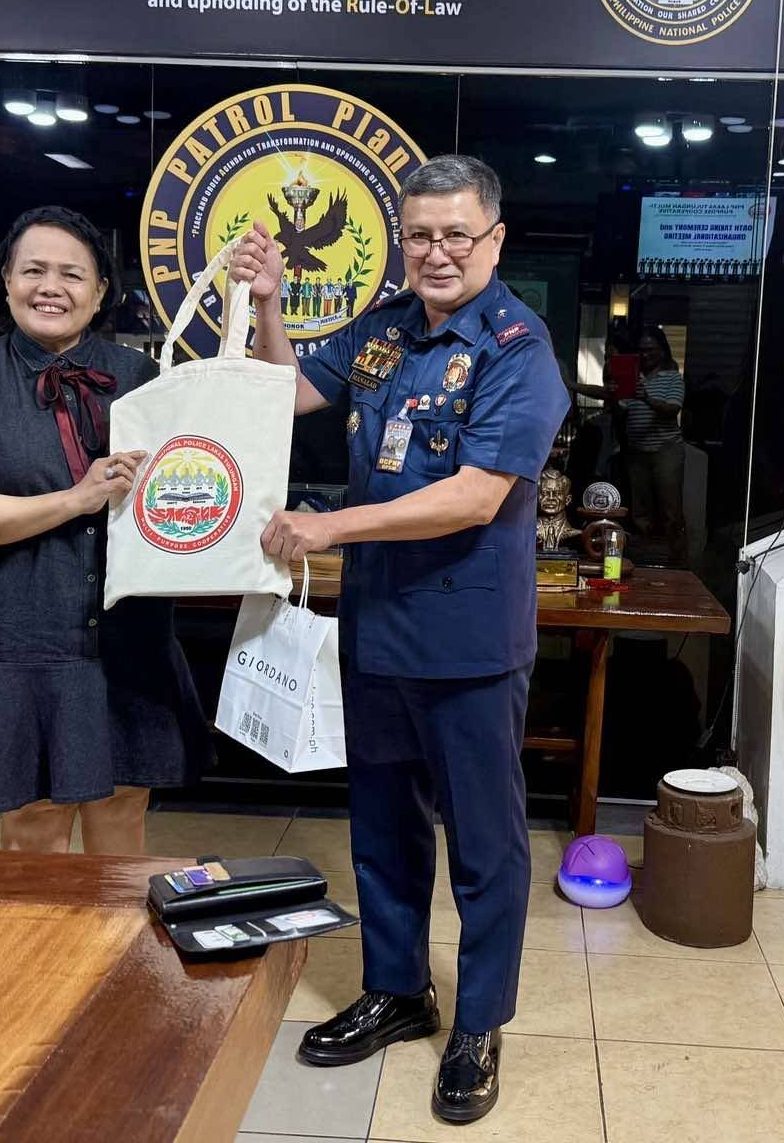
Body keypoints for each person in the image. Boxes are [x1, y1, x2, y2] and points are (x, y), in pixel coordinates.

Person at [229, 154, 566, 1125]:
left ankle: (479, 1022)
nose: (437, 252)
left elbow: (475, 495)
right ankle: (397, 989)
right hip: (376, 630)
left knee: (485, 846)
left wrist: (329, 527)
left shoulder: (517, 347)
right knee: (381, 828)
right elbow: (285, 389)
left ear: (494, 239)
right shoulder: (381, 330)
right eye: (420, 234)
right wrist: (269, 302)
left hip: (468, 641)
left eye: (457, 233)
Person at [0, 205, 205, 855]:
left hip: (127, 638)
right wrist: (77, 499)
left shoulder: (140, 379)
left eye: (72, 274)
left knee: (123, 807)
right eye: (33, 271)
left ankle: (114, 929)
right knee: (36, 821)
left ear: (100, 291)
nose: (51, 287)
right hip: (18, 636)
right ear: (6, 282)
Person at [621, 324, 687, 562]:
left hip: (665, 450)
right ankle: (644, 559)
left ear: (662, 350)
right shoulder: (634, 378)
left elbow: (672, 409)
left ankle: (677, 561)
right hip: (637, 450)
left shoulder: (673, 378)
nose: (646, 354)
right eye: (642, 350)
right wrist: (614, 394)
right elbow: (622, 408)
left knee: (670, 509)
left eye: (651, 349)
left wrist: (647, 398)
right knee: (640, 510)